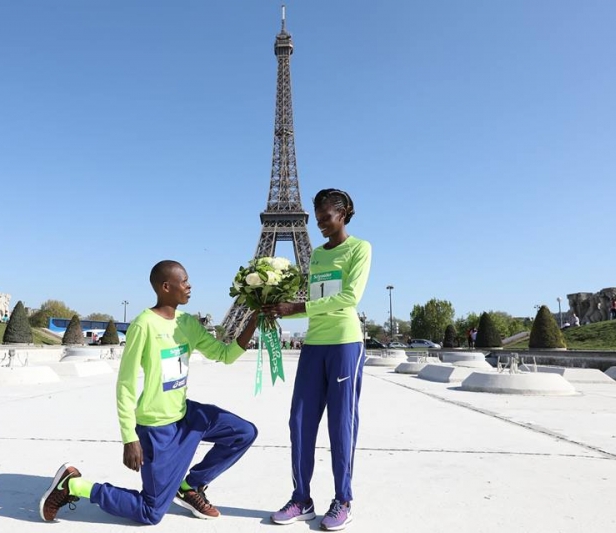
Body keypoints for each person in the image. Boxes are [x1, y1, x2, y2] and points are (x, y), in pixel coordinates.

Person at [39, 260, 259, 525]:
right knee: (150, 513)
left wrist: (254, 319)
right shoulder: (143, 325)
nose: (190, 286)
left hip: (187, 417)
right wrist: (129, 437)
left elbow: (224, 355)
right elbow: (126, 384)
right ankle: (74, 485)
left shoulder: (187, 323)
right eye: (185, 281)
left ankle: (190, 486)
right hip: (157, 429)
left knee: (244, 432)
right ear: (166, 287)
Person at [262, 188, 371, 531]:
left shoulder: (360, 249)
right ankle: (301, 498)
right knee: (299, 423)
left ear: (344, 213)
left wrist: (297, 307)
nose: (321, 224)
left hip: (344, 343)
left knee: (341, 425)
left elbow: (348, 297)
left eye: (326, 217)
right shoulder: (318, 256)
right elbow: (313, 302)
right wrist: (276, 311)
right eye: (318, 217)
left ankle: (343, 499)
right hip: (314, 344)